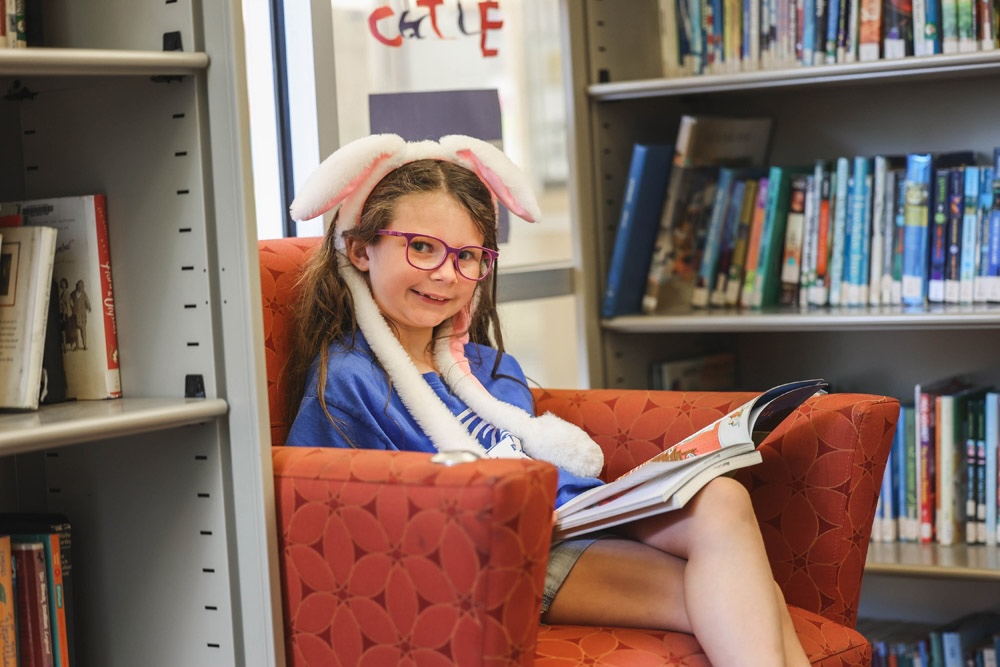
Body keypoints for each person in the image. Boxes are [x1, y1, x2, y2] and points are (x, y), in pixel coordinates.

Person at [284, 134, 810, 667]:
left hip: (570, 522)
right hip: (495, 559)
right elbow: (322, 511)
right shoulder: (348, 380)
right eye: (421, 247)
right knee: (746, 596)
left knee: (723, 499)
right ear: (360, 249)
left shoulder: (490, 369)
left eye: (468, 256)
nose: (445, 273)